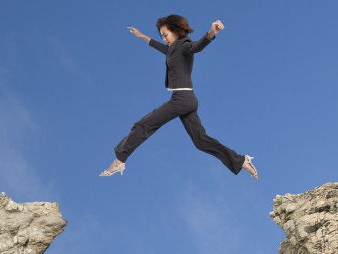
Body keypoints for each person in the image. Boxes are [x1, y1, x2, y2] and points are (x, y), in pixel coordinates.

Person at [100, 14, 258, 180]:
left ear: (175, 31)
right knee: (201, 141)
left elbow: (198, 45)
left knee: (143, 125)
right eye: (162, 35)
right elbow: (160, 47)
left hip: (182, 99)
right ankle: (240, 160)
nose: (164, 38)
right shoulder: (172, 49)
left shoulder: (185, 46)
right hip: (186, 99)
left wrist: (211, 32)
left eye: (166, 34)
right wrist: (142, 36)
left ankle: (120, 160)